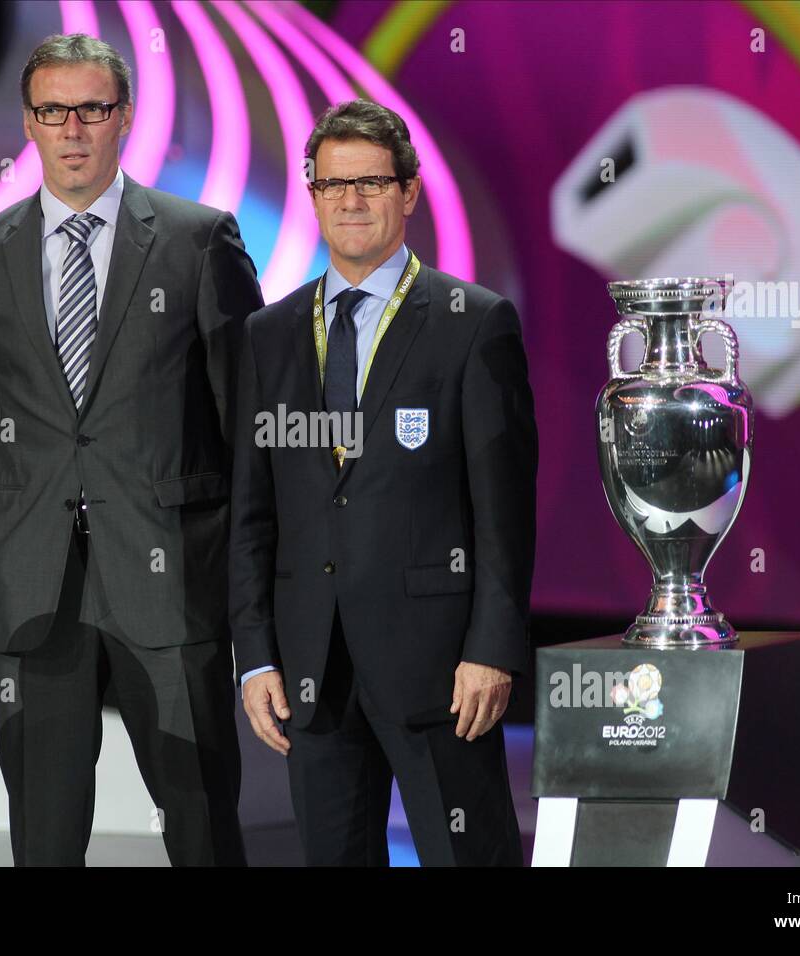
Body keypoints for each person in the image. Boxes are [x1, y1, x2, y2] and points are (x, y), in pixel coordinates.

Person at [0, 34, 263, 866]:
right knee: (43, 837)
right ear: (29, 122)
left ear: (125, 117)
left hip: (170, 581)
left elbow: (246, 417)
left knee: (201, 828)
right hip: (33, 585)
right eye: (53, 111)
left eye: (92, 109)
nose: (73, 128)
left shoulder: (198, 240)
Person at [230, 99, 538, 866]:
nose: (352, 201)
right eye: (333, 185)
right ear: (313, 197)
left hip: (441, 671)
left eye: (370, 182)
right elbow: (253, 511)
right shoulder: (270, 335)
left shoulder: (474, 322)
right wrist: (258, 655)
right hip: (312, 670)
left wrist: (492, 649)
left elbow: (504, 509)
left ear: (409, 191)